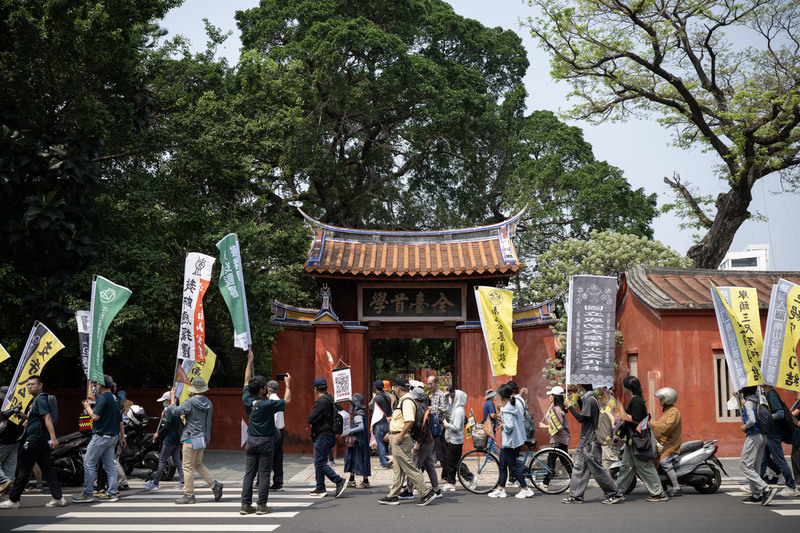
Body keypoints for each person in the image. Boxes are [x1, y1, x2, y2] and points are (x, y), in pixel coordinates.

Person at [1, 375, 65, 509]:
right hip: (41, 441)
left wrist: (53, 438)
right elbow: (37, 417)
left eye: (33, 384)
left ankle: (14, 500)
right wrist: (25, 417)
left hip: (35, 440)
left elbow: (47, 419)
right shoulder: (36, 400)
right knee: (47, 469)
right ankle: (58, 498)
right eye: (28, 384)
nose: (30, 387)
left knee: (24, 470)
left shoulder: (40, 399)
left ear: (40, 385)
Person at [240, 348, 290, 515]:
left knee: (249, 474)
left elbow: (246, 381)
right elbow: (287, 400)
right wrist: (288, 384)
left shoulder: (247, 400)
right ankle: (261, 506)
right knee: (264, 473)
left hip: (251, 440)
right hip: (266, 441)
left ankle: (245, 505)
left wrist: (249, 361)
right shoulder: (267, 404)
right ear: (263, 389)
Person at [377, 378, 435, 506]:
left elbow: (409, 421)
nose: (394, 390)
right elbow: (402, 420)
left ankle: (425, 492)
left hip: (401, 439)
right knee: (398, 469)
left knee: (408, 466)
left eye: (394, 388)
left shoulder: (407, 401)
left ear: (398, 388)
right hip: (398, 436)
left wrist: (400, 435)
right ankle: (393, 495)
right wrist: (391, 431)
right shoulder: (405, 400)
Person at [562, 384, 623, 504]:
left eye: (578, 383)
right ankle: (576, 496)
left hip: (590, 441)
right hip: (585, 440)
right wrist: (579, 401)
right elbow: (586, 418)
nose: (576, 385)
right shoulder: (588, 399)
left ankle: (615, 493)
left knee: (597, 470)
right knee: (579, 468)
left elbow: (581, 419)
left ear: (581, 384)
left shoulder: (590, 399)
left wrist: (570, 407)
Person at [168, 377, 223, 505]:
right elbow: (208, 422)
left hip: (190, 438)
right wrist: (206, 438)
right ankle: (214, 485)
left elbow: (175, 411)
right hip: (202, 438)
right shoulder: (209, 403)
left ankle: (189, 495)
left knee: (187, 467)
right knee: (197, 464)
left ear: (194, 389)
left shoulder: (190, 402)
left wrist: (172, 398)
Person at [73, 374, 125, 503]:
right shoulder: (115, 399)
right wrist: (122, 437)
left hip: (101, 437)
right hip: (113, 437)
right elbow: (120, 421)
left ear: (101, 385)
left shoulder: (102, 398)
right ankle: (112, 493)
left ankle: (87, 493)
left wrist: (88, 408)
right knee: (110, 466)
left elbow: (95, 417)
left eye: (96, 384)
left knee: (89, 463)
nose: (95, 387)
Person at [614, 376, 667, 502]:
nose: (624, 388)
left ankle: (658, 493)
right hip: (632, 440)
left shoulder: (636, 401)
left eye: (624, 385)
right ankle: (617, 491)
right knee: (626, 466)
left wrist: (623, 414)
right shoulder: (635, 399)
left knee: (644, 466)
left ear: (629, 387)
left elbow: (637, 419)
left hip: (638, 440)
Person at [489, 384, 535, 499]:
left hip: (509, 441)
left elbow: (509, 426)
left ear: (502, 396)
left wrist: (502, 425)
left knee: (513, 466)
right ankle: (501, 489)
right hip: (513, 440)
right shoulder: (512, 405)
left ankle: (525, 488)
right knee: (502, 465)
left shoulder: (508, 408)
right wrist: (502, 412)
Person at [307, 377, 347, 498]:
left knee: (320, 462)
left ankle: (338, 480)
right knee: (319, 461)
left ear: (315, 389)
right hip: (329, 434)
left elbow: (311, 418)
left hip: (323, 435)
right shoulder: (330, 398)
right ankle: (320, 487)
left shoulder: (322, 401)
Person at [739, 385, 778, 505]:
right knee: (755, 465)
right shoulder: (759, 400)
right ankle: (756, 495)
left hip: (754, 435)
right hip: (763, 436)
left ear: (745, 392)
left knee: (745, 465)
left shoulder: (748, 403)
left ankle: (765, 489)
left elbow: (751, 420)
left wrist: (744, 427)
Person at [759, 384, 798, 497]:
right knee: (763, 459)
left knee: (779, 460)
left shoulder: (772, 394)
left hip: (774, 433)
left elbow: (780, 413)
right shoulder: (765, 393)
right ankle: (756, 483)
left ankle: (791, 486)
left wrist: (766, 417)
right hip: (769, 432)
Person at [144, 391, 185, 491]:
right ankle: (183, 480)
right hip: (176, 438)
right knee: (177, 460)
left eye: (165, 401)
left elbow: (168, 425)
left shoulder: (170, 410)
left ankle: (155, 482)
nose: (164, 403)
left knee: (162, 460)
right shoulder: (176, 409)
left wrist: (158, 434)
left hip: (169, 438)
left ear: (168, 400)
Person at [409, 387, 441, 498]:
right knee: (429, 465)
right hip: (430, 440)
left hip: (422, 441)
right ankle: (436, 489)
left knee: (413, 466)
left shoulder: (419, 410)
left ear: (415, 398)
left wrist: (417, 443)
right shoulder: (427, 408)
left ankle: (409, 490)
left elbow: (421, 428)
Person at [441, 389, 475, 491]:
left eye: (453, 397)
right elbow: (446, 407)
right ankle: (451, 482)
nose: (451, 399)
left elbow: (456, 427)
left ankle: (471, 478)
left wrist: (446, 424)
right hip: (453, 439)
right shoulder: (455, 408)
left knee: (455, 463)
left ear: (458, 398)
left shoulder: (459, 411)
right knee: (451, 462)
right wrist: (445, 397)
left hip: (456, 440)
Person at [652, 386, 682, 497]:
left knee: (664, 462)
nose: (660, 401)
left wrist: (652, 425)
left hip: (671, 443)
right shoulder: (667, 411)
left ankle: (677, 487)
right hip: (664, 442)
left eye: (662, 399)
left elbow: (666, 427)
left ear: (668, 399)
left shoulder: (674, 412)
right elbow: (660, 424)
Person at [539, 386, 570, 488]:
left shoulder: (557, 409)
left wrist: (545, 426)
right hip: (561, 439)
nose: (550, 397)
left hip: (559, 439)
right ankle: (546, 482)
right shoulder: (560, 408)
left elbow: (558, 426)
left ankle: (545, 483)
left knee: (553, 461)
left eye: (551, 395)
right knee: (561, 461)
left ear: (555, 396)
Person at [0, 386, 25, 495]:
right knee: (9, 465)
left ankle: (3, 481)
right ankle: (10, 489)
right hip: (16, 439)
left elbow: (2, 426)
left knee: (8, 465)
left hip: (4, 439)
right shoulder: (19, 404)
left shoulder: (5, 408)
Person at [344, 393, 371, 489]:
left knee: (360, 459)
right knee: (352, 459)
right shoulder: (360, 412)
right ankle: (351, 479)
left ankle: (365, 481)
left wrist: (349, 430)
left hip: (358, 441)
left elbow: (361, 427)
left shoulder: (359, 413)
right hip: (357, 441)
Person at [267, 378, 287, 492]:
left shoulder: (271, 401)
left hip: (273, 431)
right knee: (278, 457)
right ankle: (278, 480)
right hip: (281, 430)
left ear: (269, 389)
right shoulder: (279, 400)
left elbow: (273, 419)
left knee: (267, 457)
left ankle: (261, 481)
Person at [427, 375, 448, 471]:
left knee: (441, 451)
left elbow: (444, 409)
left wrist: (432, 410)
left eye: (431, 384)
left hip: (439, 426)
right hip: (431, 426)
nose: (429, 386)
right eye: (428, 384)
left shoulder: (441, 395)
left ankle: (446, 475)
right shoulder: (431, 395)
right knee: (427, 451)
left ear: (436, 384)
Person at [371, 380, 392, 469]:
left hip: (379, 423)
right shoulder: (387, 396)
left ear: (375, 387)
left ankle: (383, 463)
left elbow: (374, 412)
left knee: (379, 444)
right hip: (386, 422)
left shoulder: (377, 398)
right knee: (384, 443)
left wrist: (371, 425)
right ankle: (386, 460)